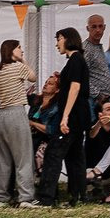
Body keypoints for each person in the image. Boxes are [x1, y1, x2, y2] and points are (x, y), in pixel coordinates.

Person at [39, 27, 93, 206]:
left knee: (53, 154)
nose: (57, 44)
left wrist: (65, 117)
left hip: (73, 116)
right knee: (75, 157)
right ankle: (78, 196)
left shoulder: (76, 60)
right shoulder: (75, 61)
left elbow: (75, 88)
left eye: (59, 39)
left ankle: (47, 198)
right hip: (78, 116)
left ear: (68, 39)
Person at [0, 38, 38, 208]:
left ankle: (2, 196)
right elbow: (33, 77)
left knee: (4, 159)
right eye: (19, 48)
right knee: (23, 157)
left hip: (1, 115)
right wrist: (22, 60)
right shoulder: (18, 67)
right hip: (16, 113)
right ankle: (25, 196)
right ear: (11, 51)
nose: (22, 50)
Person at [28, 74, 63, 195]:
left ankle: (44, 188)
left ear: (57, 90)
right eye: (46, 82)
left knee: (40, 153)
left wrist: (33, 123)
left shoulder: (56, 107)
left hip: (46, 139)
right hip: (32, 138)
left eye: (50, 83)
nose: (46, 84)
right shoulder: (36, 102)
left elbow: (51, 129)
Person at [82, 14, 110, 118]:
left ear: (104, 27)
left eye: (100, 26)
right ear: (87, 28)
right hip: (93, 100)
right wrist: (98, 95)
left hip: (103, 99)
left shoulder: (98, 46)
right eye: (94, 27)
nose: (98, 30)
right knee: (93, 130)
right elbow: (83, 76)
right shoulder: (86, 49)